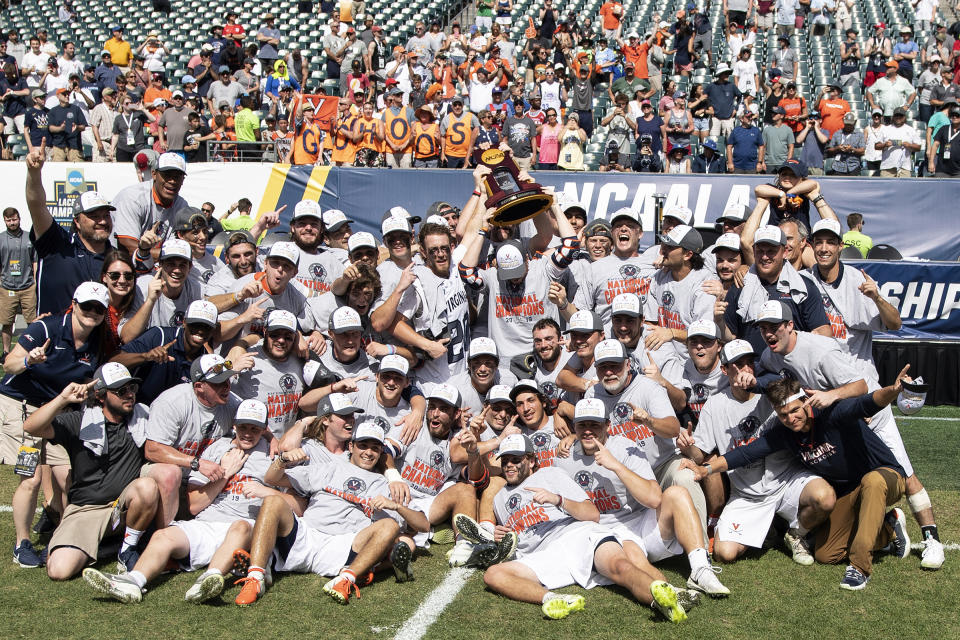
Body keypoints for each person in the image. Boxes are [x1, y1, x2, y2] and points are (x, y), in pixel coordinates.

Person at [683, 368, 915, 590]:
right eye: (783, 415)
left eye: (795, 411)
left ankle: (859, 568)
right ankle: (889, 527)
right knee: (826, 554)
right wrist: (706, 469)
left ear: (806, 403)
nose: (791, 418)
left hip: (885, 475)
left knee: (872, 482)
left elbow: (867, 402)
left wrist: (893, 391)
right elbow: (744, 454)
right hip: (851, 490)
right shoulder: (786, 434)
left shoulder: (832, 414)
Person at [81, 399, 295, 604]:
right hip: (207, 522)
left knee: (240, 527)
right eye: (243, 427)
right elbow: (193, 505)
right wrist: (225, 475)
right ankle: (133, 582)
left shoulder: (272, 454)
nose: (248, 434)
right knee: (163, 535)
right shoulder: (217, 449)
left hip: (245, 526)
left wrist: (264, 491)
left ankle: (209, 580)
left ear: (265, 429)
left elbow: (295, 505)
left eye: (255, 429)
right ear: (234, 425)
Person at [476, 432, 692, 622]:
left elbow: (592, 514)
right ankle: (552, 598)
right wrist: (501, 536)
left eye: (516, 459)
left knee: (620, 567)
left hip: (577, 534)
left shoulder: (551, 474)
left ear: (531, 460)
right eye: (505, 461)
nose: (509, 465)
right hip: (543, 553)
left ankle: (663, 602)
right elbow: (515, 538)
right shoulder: (499, 498)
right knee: (493, 575)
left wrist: (558, 500)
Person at [233, 410, 424, 605]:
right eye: (363, 445)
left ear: (381, 452)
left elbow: (423, 525)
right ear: (351, 446)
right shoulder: (330, 467)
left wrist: (397, 507)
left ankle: (345, 580)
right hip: (307, 535)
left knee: (390, 526)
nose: (368, 452)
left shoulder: (385, 484)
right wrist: (282, 460)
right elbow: (271, 479)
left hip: (342, 546)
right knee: (273, 502)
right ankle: (255, 577)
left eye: (375, 448)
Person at [677, 340, 834, 565]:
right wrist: (687, 447)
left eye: (750, 363)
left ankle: (795, 533)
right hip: (746, 494)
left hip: (785, 481)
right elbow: (701, 454)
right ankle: (772, 529)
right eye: (738, 365)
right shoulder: (715, 405)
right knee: (724, 553)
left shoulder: (772, 394)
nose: (746, 369)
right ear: (724, 369)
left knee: (824, 497)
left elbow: (792, 387)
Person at [1, 282, 111, 568]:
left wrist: (88, 391)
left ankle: (66, 536)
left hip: (56, 411)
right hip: (21, 407)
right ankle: (22, 544)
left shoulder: (98, 341)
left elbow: (86, 378)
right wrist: (28, 359)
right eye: (87, 306)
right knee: (32, 478)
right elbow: (8, 365)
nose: (92, 313)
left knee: (68, 476)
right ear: (74, 304)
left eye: (99, 309)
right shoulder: (45, 329)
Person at [22, 363, 162, 580]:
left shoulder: (143, 419)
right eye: (120, 391)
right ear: (101, 396)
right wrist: (62, 399)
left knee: (147, 486)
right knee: (59, 571)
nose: (129, 395)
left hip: (123, 509)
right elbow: (31, 427)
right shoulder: (80, 422)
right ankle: (108, 547)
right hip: (85, 510)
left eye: (132, 389)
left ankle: (128, 548)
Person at [0, 208, 37, 356]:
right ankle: (6, 352)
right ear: (4, 220)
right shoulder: (1, 239)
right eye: (9, 220)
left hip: (28, 286)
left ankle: (31, 349)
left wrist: (34, 282)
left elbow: (35, 260)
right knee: (7, 322)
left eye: (14, 219)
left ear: (19, 219)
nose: (12, 223)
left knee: (32, 322)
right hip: (7, 286)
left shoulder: (29, 238)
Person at [875, 107, 921, 177]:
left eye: (901, 116)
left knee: (904, 188)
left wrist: (909, 145)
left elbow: (918, 147)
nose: (898, 117)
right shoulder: (885, 129)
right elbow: (876, 146)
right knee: (886, 187)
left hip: (904, 167)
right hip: (887, 167)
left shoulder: (910, 130)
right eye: (896, 115)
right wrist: (885, 144)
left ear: (904, 117)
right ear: (893, 117)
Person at [726, 104, 765, 173]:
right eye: (747, 117)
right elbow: (729, 146)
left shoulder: (756, 131)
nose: (750, 118)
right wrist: (730, 162)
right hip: (737, 166)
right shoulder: (736, 131)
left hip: (752, 166)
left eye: (750, 116)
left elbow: (761, 146)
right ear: (741, 119)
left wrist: (759, 162)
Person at [762, 106, 795, 172]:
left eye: (775, 113)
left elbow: (791, 147)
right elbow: (763, 147)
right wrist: (762, 162)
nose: (773, 115)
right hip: (769, 163)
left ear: (782, 116)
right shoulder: (767, 130)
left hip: (783, 163)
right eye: (772, 113)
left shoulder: (788, 130)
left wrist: (788, 161)